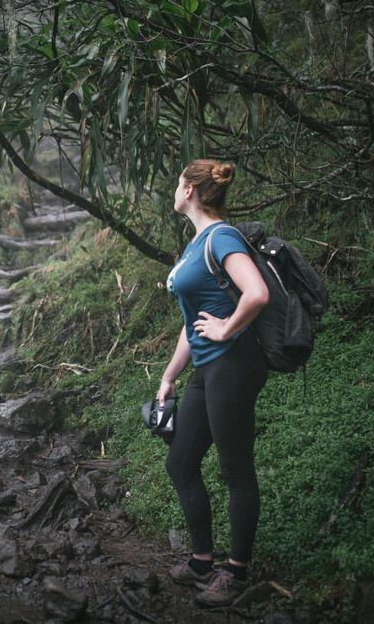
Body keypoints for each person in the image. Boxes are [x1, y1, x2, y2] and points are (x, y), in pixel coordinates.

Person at [158, 159, 270, 607]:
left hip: (233, 365)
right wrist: (169, 377)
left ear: (190, 191)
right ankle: (202, 560)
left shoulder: (222, 237)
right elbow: (193, 320)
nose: (175, 189)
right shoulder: (197, 243)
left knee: (235, 469)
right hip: (207, 369)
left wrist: (227, 329)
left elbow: (256, 292)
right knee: (180, 463)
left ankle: (237, 572)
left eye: (178, 182)